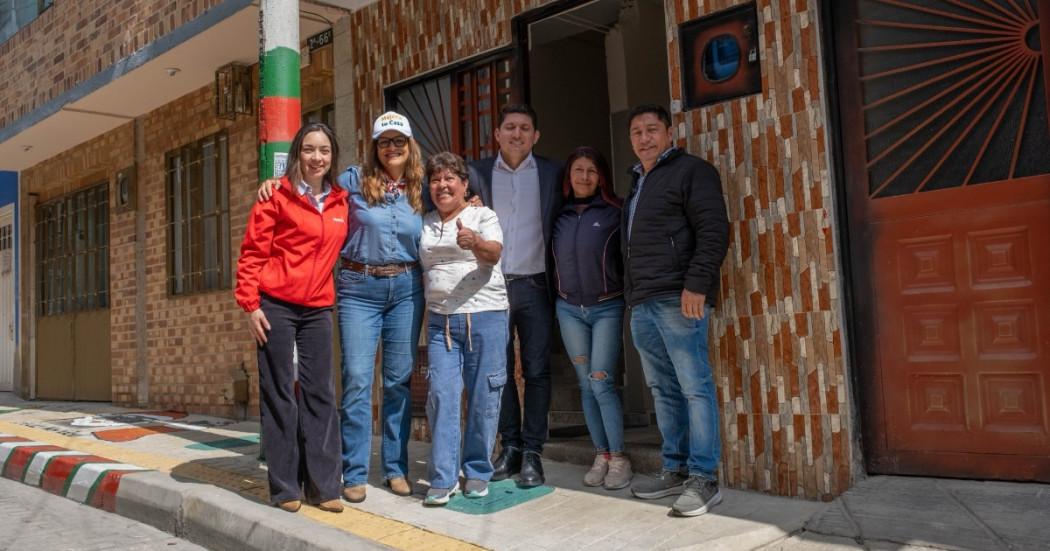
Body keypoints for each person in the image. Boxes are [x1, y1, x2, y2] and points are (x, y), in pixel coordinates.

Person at [259, 112, 425, 503]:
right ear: (374, 146)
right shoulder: (351, 181)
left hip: (406, 288)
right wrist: (273, 184)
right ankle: (352, 471)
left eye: (398, 141)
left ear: (410, 145)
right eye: (384, 141)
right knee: (356, 379)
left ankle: (395, 468)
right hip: (358, 287)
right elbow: (309, 185)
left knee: (399, 381)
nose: (392, 148)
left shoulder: (423, 187)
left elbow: (454, 198)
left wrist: (475, 198)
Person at [621, 105, 730, 517]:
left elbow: (714, 229)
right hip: (643, 302)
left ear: (670, 132)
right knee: (662, 389)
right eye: (637, 132)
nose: (644, 138)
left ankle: (704, 478)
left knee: (694, 386)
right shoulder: (637, 181)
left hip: (678, 297)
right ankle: (675, 468)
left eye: (652, 130)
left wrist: (697, 283)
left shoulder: (692, 171)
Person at [235, 122, 346, 514]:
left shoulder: (340, 201)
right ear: (298, 152)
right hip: (275, 304)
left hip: (317, 307)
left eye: (325, 151)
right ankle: (285, 488)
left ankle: (323, 486)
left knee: (320, 393)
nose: (317, 158)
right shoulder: (275, 196)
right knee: (279, 393)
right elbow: (252, 253)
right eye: (310, 150)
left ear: (333, 157)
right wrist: (250, 304)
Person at [468, 104, 562, 487]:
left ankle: (534, 453)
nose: (517, 134)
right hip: (491, 284)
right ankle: (510, 447)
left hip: (536, 284)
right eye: (510, 127)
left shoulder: (553, 172)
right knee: (499, 371)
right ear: (497, 134)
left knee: (538, 370)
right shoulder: (476, 173)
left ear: (536, 136)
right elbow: (440, 202)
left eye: (525, 128)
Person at [418, 152, 509, 506]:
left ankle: (476, 471)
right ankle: (442, 476)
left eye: (449, 178)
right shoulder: (424, 222)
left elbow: (495, 253)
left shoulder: (483, 215)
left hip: (486, 315)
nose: (442, 185)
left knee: (485, 396)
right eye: (436, 179)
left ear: (464, 184)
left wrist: (476, 242)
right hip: (441, 321)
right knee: (441, 394)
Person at [550, 146, 632, 490]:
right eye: (578, 170)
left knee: (601, 381)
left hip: (606, 307)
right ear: (568, 176)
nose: (584, 177)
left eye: (592, 171)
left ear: (602, 177)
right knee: (585, 384)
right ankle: (601, 455)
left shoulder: (616, 212)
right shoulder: (556, 214)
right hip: (568, 309)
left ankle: (619, 457)